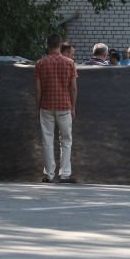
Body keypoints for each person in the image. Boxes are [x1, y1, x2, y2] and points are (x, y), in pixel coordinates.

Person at [34, 33, 78, 183]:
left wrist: (38, 106)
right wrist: (73, 107)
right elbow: (73, 88)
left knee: (47, 140)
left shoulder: (40, 63)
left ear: (47, 44)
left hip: (46, 106)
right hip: (64, 106)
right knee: (66, 140)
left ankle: (49, 174)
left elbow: (38, 89)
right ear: (60, 45)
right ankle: (65, 174)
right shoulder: (70, 63)